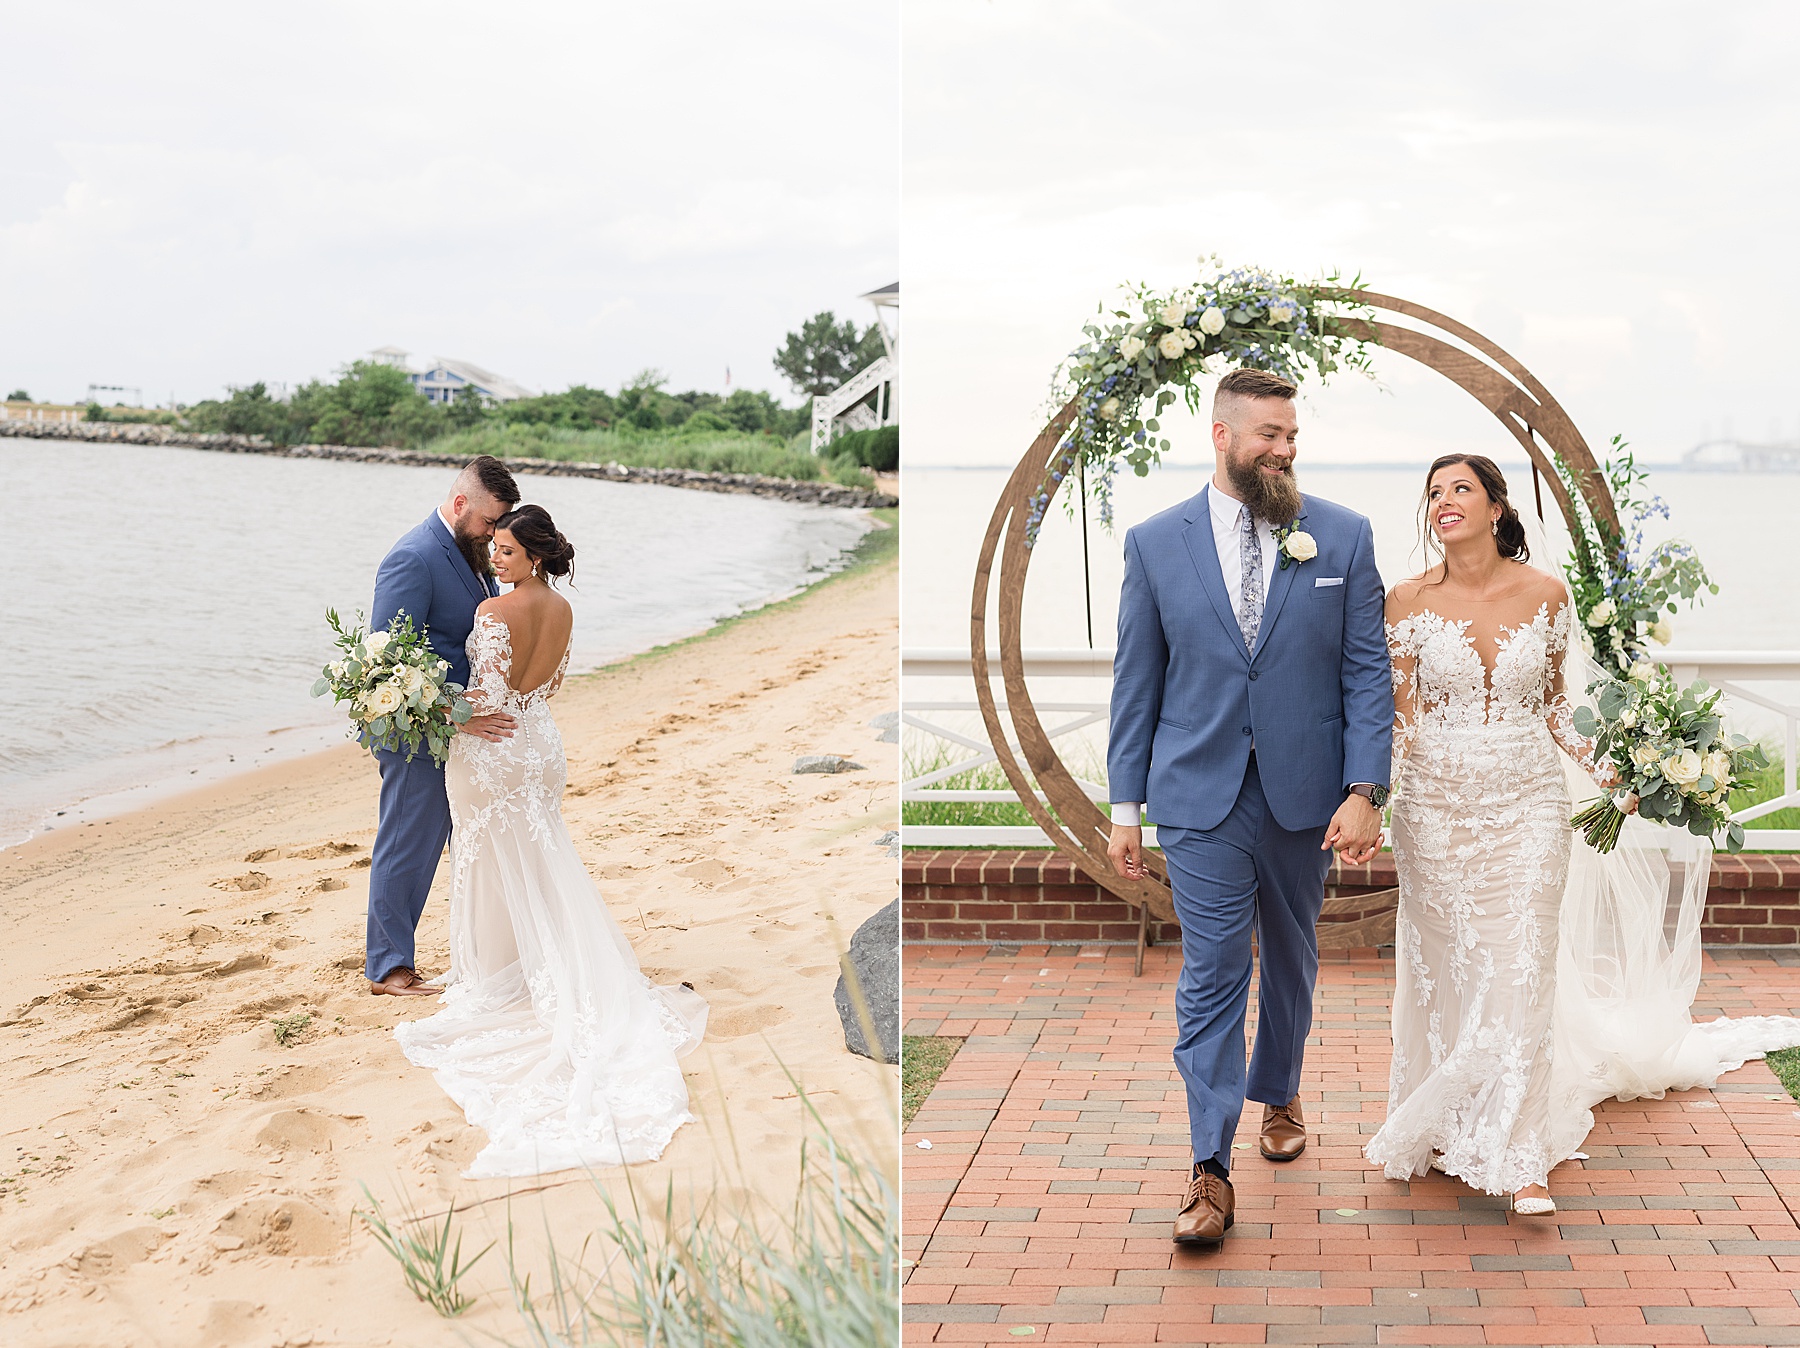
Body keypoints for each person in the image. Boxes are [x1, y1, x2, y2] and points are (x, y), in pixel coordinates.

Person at [1368, 454, 1800, 1215]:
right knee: (1450, 971)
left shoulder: (1546, 594)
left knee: (1522, 969)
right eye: (1434, 492)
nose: (1444, 502)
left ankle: (1522, 1152)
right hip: (1435, 812)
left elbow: (1559, 708)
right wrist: (1372, 801)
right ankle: (1446, 1120)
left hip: (1530, 805)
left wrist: (1619, 771)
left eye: (1461, 489)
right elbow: (1403, 717)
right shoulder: (1404, 601)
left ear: (1497, 507)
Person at [1106, 367, 1394, 1246]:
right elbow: (1136, 681)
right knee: (1215, 970)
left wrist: (1364, 789)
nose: (1285, 449)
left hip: (1307, 796)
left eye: (1293, 435)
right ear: (1223, 435)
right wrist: (1126, 806)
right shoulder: (1156, 543)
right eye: (1269, 433)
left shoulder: (1340, 536)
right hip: (1198, 795)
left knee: (1295, 961)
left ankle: (1282, 1088)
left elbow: (1365, 673)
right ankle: (1209, 1168)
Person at [393, 504, 706, 1177]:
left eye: (506, 552)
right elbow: (547, 687)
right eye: (495, 550)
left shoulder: (492, 615)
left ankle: (497, 977)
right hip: (539, 745)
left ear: (533, 555)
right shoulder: (561, 611)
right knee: (537, 853)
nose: (495, 561)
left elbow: (482, 698)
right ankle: (530, 963)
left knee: (483, 858)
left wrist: (435, 707)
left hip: (492, 747)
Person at [365, 456, 521, 997]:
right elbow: (387, 662)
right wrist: (460, 713)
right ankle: (388, 968)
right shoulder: (414, 556)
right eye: (488, 522)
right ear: (460, 505)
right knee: (408, 843)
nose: (494, 534)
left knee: (463, 845)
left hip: (463, 733)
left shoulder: (472, 552)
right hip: (416, 730)